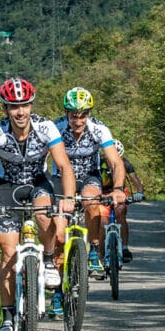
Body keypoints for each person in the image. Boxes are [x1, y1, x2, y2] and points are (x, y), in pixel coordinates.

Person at [0, 77, 76, 331]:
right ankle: (8, 319)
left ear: (31, 105)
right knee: (9, 252)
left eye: (24, 105)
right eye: (13, 107)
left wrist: (67, 197)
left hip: (38, 183)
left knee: (45, 214)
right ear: (5, 109)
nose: (20, 112)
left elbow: (64, 166)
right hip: (7, 187)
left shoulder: (46, 127)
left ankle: (48, 260)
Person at [52, 87, 128, 275]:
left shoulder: (99, 129)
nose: (78, 121)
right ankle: (58, 291)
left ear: (89, 114)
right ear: (66, 113)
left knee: (90, 200)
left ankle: (94, 247)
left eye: (83, 115)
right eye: (74, 116)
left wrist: (118, 188)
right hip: (60, 179)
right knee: (60, 236)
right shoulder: (56, 128)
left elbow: (115, 162)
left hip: (89, 176)